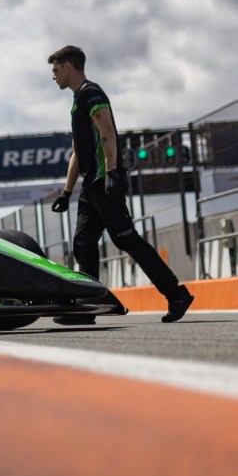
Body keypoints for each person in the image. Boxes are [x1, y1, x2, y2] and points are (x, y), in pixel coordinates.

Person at [48, 45, 194, 324]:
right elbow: (77, 152)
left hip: (105, 179)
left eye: (55, 70)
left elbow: (107, 131)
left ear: (67, 67)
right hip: (91, 185)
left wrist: (112, 172)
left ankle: (177, 294)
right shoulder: (77, 101)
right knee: (83, 244)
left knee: (126, 239)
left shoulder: (91, 93)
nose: (53, 76)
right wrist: (66, 193)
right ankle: (88, 307)